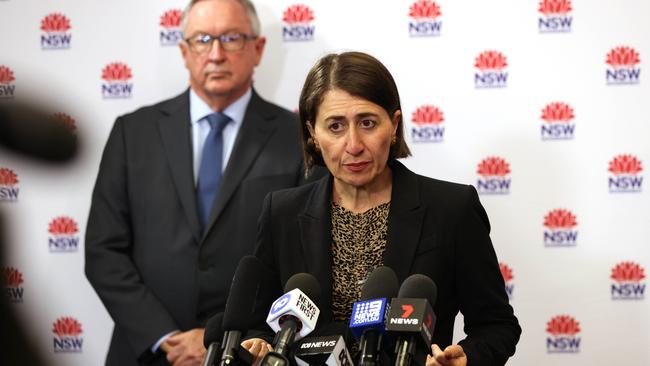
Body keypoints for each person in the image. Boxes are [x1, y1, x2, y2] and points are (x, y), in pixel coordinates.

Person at [244, 52, 521, 366]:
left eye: (367, 123)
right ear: (312, 134)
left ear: (394, 125)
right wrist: (258, 346)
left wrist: (468, 357)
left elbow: (496, 326)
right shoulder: (281, 213)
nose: (354, 144)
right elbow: (257, 324)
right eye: (335, 126)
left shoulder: (451, 208)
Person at [85, 1, 317, 365]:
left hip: (246, 352)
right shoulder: (133, 133)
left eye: (232, 38)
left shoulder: (298, 137)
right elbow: (103, 252)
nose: (216, 53)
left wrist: (219, 336)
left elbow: (301, 262)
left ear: (257, 49)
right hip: (146, 352)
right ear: (183, 51)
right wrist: (164, 336)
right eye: (202, 40)